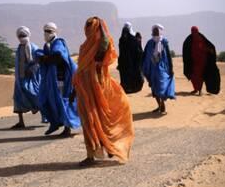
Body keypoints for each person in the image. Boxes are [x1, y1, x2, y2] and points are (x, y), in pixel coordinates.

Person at [71, 17, 134, 167]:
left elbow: (103, 54)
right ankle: (97, 151)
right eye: (86, 25)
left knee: (98, 120)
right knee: (91, 121)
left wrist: (102, 32)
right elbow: (81, 68)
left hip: (97, 89)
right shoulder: (86, 45)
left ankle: (98, 152)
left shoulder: (101, 45)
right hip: (85, 89)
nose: (87, 28)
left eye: (90, 26)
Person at [35, 22, 81, 136]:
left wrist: (44, 58)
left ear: (54, 32)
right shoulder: (48, 45)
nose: (46, 33)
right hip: (52, 80)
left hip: (62, 80)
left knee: (62, 102)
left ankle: (67, 128)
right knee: (47, 101)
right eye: (45, 31)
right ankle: (55, 124)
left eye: (49, 31)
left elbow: (58, 57)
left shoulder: (58, 43)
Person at [11, 26, 42, 129]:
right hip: (20, 79)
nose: (22, 37)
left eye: (23, 35)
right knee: (17, 98)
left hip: (31, 79)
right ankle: (21, 122)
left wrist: (31, 70)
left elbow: (38, 62)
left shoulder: (34, 47)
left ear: (28, 35)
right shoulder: (19, 48)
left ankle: (47, 116)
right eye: (20, 36)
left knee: (36, 95)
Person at [142, 24, 176, 114]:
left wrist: (171, 68)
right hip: (152, 69)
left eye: (157, 31)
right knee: (154, 88)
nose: (155, 33)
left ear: (160, 32)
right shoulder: (149, 43)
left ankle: (162, 105)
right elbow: (145, 55)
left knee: (161, 87)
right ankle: (159, 106)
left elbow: (168, 56)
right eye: (154, 31)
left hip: (162, 69)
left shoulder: (164, 42)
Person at [182, 26, 221, 95]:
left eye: (195, 31)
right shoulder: (189, 39)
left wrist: (210, 50)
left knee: (200, 76)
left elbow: (207, 46)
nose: (194, 33)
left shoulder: (201, 38)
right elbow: (186, 49)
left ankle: (200, 90)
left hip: (202, 61)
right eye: (192, 31)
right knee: (193, 76)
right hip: (193, 62)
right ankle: (195, 89)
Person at [117, 22, 144, 94]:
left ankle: (134, 87)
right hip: (125, 61)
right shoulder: (122, 39)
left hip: (133, 61)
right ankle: (128, 88)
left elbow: (138, 49)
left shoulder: (135, 36)